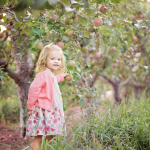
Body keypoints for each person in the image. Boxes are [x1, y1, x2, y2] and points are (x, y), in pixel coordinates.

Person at [26, 43, 70, 150]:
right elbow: (33, 90)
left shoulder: (51, 75)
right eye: (52, 58)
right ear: (44, 60)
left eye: (59, 59)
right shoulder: (42, 75)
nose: (56, 61)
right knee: (39, 136)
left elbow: (54, 80)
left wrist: (63, 76)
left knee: (52, 134)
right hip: (43, 109)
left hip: (52, 110)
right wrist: (30, 107)